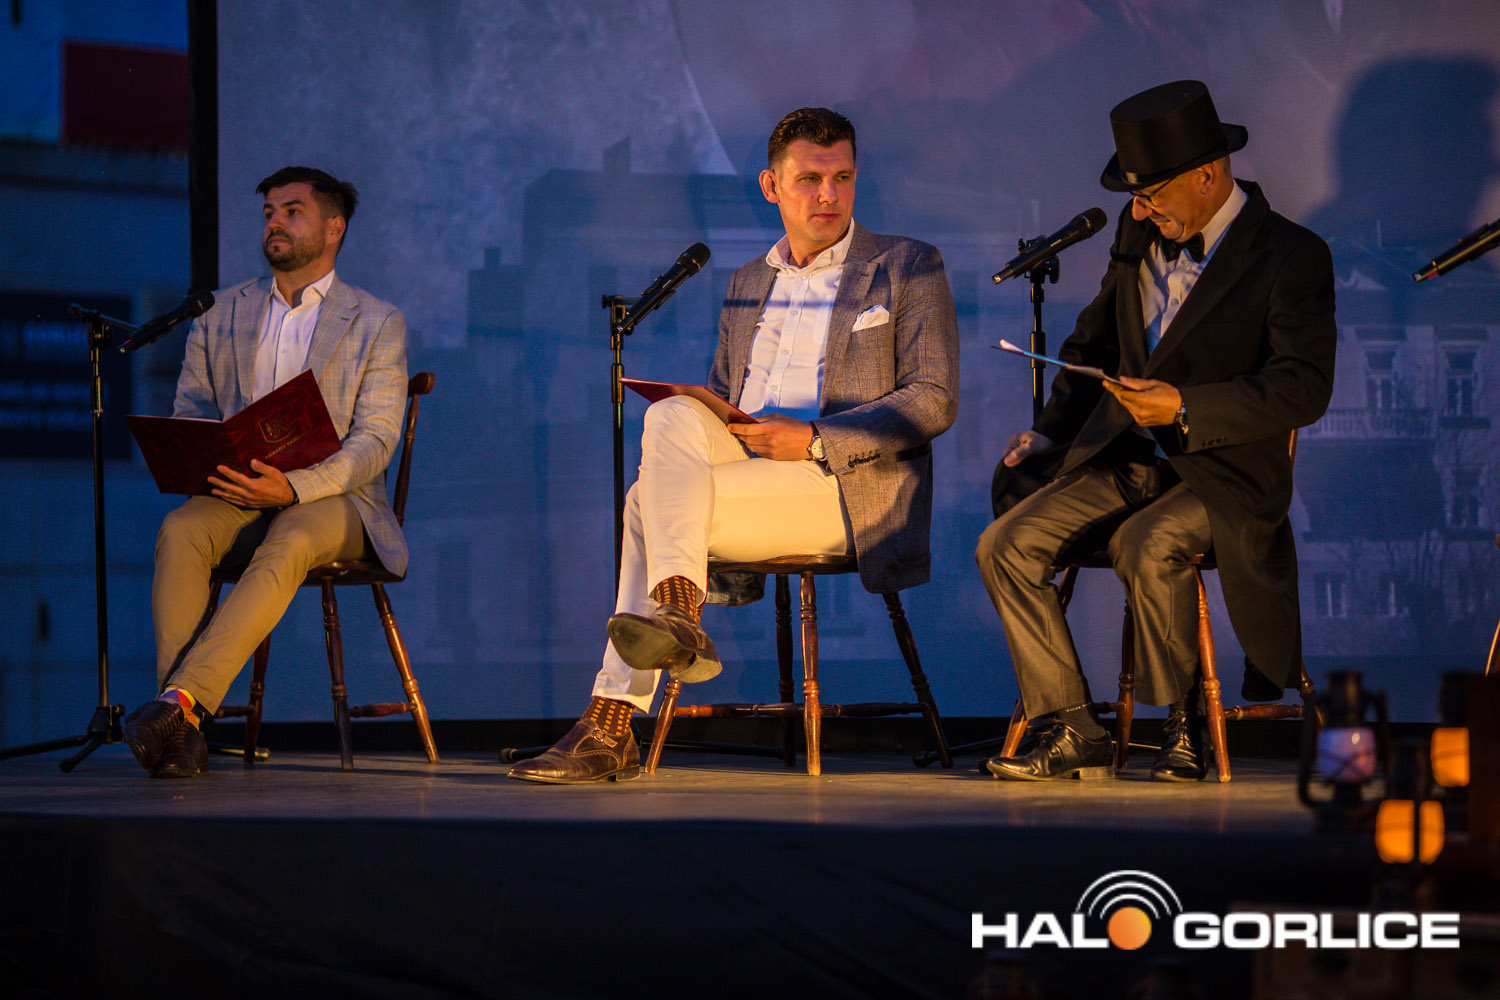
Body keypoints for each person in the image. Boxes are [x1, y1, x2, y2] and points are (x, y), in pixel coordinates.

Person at [510, 107, 960, 783]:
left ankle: (613, 717)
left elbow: (933, 398)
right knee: (672, 416)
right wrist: (716, 412)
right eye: (809, 179)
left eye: (842, 178)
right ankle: (676, 613)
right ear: (771, 186)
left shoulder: (906, 265)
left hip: (845, 485)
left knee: (644, 504)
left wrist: (814, 438)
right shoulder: (748, 281)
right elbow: (725, 399)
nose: (829, 195)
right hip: (751, 475)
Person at [974, 80, 1336, 782]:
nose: (1139, 210)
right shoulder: (1136, 233)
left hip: (1224, 470)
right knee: (1005, 546)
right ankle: (1072, 725)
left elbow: (1303, 387)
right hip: (1129, 458)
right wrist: (1048, 433)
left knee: (1145, 544)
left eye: (1150, 194)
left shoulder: (1291, 254)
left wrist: (1184, 406)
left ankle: (1183, 722)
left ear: (1208, 176)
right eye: (1133, 197)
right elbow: (1092, 344)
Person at [122, 166, 409, 778]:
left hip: (339, 501)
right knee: (182, 529)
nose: (275, 222)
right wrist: (200, 453)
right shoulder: (220, 312)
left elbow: (377, 439)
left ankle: (177, 706)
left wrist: (296, 487)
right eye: (269, 212)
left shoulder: (376, 320)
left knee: (294, 535)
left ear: (333, 228)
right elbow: (192, 410)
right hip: (242, 490)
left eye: (292, 211)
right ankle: (183, 725)